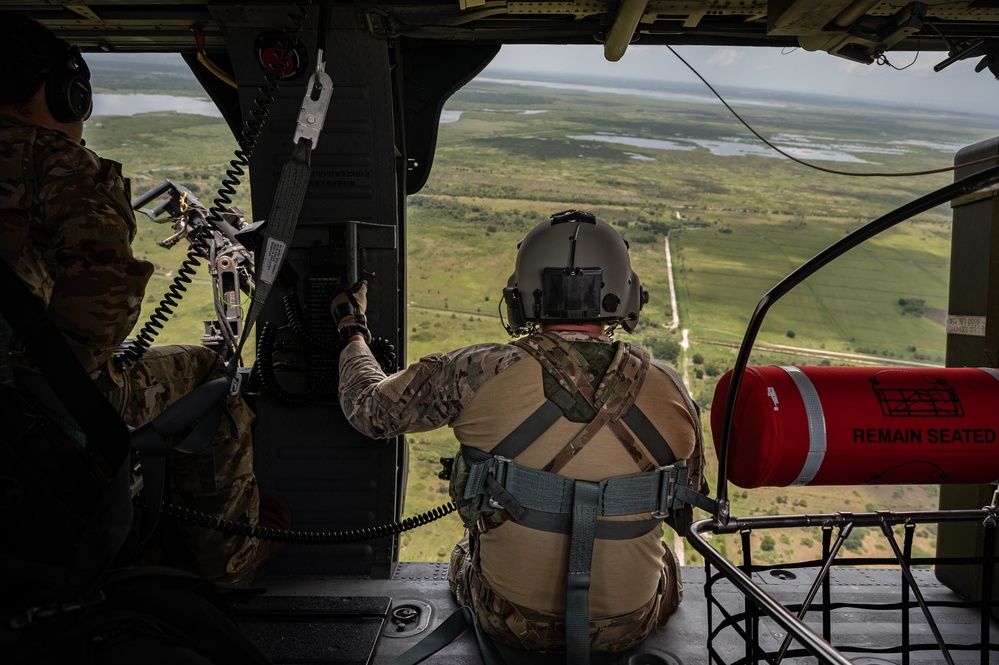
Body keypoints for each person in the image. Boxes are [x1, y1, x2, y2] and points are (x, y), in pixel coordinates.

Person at [334, 209, 708, 660]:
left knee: (468, 549)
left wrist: (353, 330)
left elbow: (368, 409)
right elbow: (689, 515)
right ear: (626, 295)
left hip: (508, 620)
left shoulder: (475, 371)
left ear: (522, 296)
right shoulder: (672, 391)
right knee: (662, 558)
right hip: (627, 627)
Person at [0, 12, 288, 586]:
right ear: (65, 92)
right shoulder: (55, 163)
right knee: (212, 373)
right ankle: (229, 563)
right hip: (35, 397)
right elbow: (106, 307)